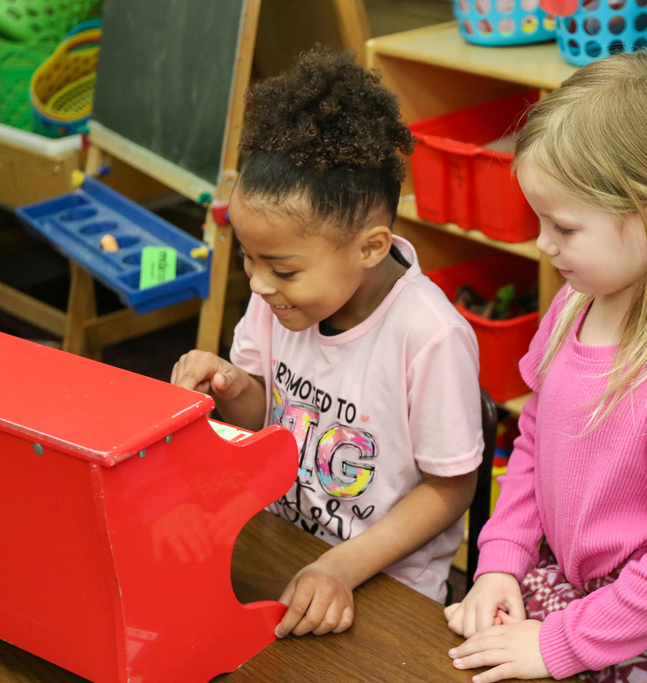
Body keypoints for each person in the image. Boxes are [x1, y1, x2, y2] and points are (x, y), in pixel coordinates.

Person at [443, 51, 647, 683]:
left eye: (564, 227)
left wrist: (558, 645)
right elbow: (533, 445)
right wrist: (501, 564)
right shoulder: (571, 307)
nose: (542, 243)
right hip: (572, 601)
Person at [171, 46, 483, 639]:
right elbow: (264, 410)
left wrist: (341, 566)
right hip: (283, 545)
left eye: (282, 269)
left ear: (370, 247)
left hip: (389, 588)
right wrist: (233, 388)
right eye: (248, 260)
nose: (259, 285)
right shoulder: (281, 302)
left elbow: (451, 488)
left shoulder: (430, 336)